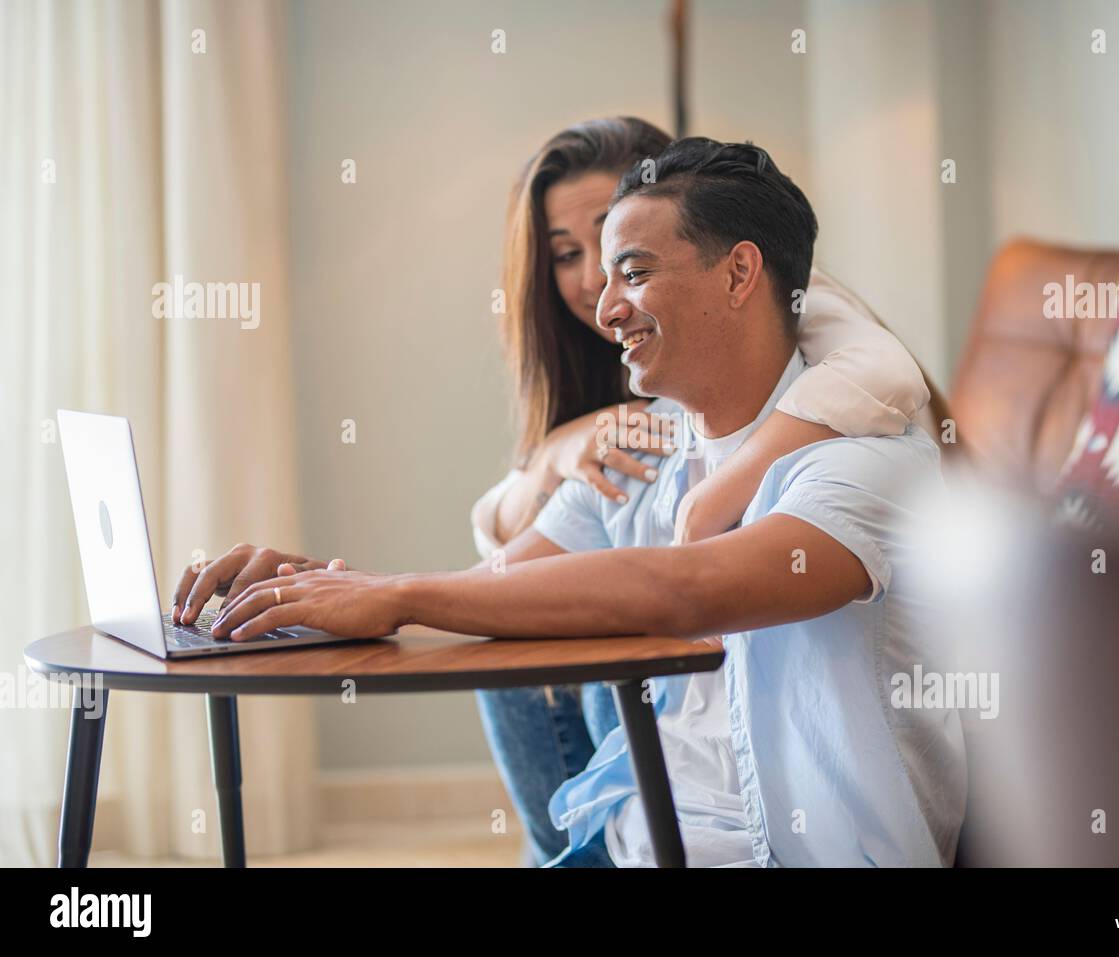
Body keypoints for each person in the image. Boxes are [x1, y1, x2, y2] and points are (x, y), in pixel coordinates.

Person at [182, 135, 967, 867]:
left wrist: (396, 594)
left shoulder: (867, 464)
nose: (605, 305)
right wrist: (319, 588)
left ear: (738, 274)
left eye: (634, 271)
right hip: (629, 842)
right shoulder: (642, 450)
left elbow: (689, 588)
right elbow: (493, 591)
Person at [468, 117, 944, 865]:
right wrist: (334, 595)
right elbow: (492, 570)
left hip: (781, 805)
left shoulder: (823, 349)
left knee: (604, 632)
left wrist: (708, 499)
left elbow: (889, 375)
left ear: (736, 271)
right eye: (570, 255)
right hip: (653, 808)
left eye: (625, 259)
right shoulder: (640, 430)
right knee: (522, 636)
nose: (596, 287)